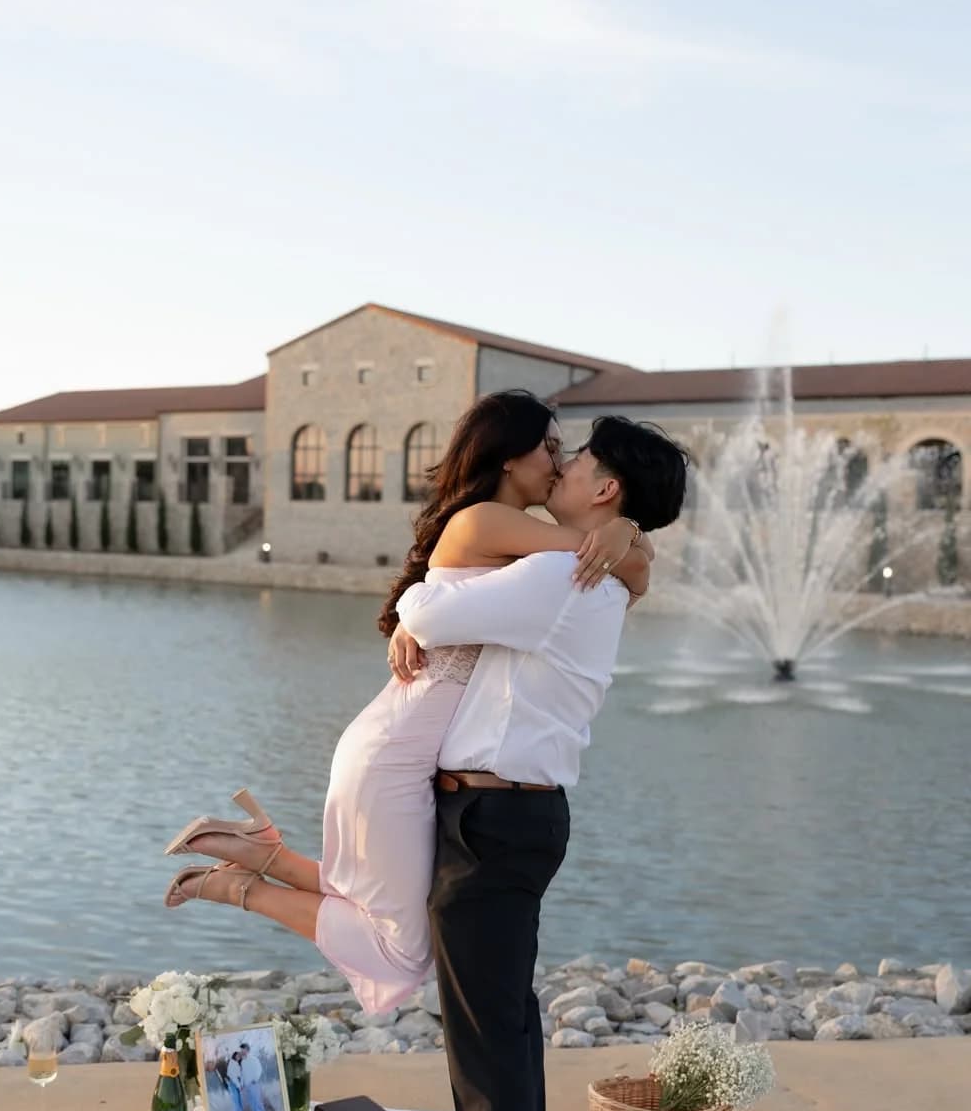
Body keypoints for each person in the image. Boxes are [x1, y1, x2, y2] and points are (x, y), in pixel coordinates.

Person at [162, 391, 652, 1018]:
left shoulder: (511, 535)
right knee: (403, 951)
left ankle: (261, 853)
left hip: (404, 742)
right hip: (398, 749)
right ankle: (238, 888)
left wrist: (627, 534)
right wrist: (627, 532)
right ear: (508, 456)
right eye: (550, 448)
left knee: (378, 902)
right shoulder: (489, 520)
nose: (559, 464)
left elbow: (601, 567)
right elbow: (611, 562)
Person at [386, 415, 688, 1111]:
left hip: (492, 819)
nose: (563, 468)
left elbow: (426, 606)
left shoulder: (560, 573)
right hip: (514, 815)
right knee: (503, 1019)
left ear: (606, 489)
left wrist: (413, 618)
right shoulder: (593, 572)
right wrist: (627, 540)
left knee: (485, 1029)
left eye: (579, 460)